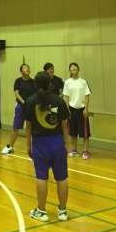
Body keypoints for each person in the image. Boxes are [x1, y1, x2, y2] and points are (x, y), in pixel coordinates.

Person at [25, 71, 70, 222]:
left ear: (35, 84)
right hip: (57, 142)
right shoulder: (59, 101)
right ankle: (62, 211)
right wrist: (67, 145)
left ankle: (41, 211)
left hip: (40, 143)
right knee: (62, 177)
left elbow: (28, 127)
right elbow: (64, 126)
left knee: (41, 177)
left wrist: (28, 146)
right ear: (50, 84)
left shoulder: (31, 101)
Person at [1, 64, 36, 154]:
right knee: (16, 127)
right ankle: (10, 147)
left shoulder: (33, 82)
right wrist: (23, 102)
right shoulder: (18, 81)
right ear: (21, 71)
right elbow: (16, 93)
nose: (27, 69)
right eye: (24, 68)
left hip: (30, 108)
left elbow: (35, 94)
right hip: (20, 107)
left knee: (29, 128)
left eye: (28, 68)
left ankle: (31, 149)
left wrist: (30, 104)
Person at [63, 63, 92, 160]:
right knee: (73, 131)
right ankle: (74, 150)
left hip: (82, 110)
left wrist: (86, 109)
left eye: (75, 67)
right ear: (70, 70)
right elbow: (66, 97)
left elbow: (87, 95)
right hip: (72, 109)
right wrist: (67, 110)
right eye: (71, 68)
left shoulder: (83, 82)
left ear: (78, 69)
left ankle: (85, 151)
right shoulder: (67, 82)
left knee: (85, 132)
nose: (73, 69)